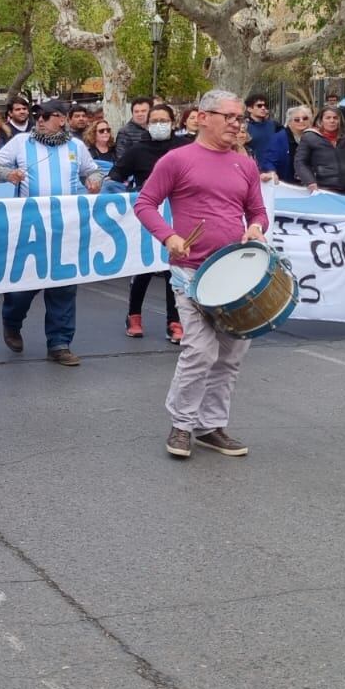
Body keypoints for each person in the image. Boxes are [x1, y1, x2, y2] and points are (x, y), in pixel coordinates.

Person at [133, 90, 268, 459]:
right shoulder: (177, 160)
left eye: (240, 118)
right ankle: (181, 425)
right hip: (191, 272)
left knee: (230, 355)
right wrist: (170, 236)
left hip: (236, 275)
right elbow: (144, 203)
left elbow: (258, 212)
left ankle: (211, 426)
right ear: (203, 116)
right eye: (229, 117)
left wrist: (256, 228)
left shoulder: (245, 165)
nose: (236, 124)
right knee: (201, 350)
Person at [0, 99, 102, 366]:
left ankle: (59, 343)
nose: (39, 119)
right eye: (38, 115)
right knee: (25, 286)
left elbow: (92, 171)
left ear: (62, 119)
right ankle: (12, 320)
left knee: (63, 285)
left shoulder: (76, 147)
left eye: (46, 116)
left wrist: (94, 181)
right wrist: (8, 174)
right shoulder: (21, 142)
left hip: (66, 228)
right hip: (30, 228)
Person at [109, 103, 192, 342]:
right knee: (143, 269)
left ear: (173, 122)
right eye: (153, 121)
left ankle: (174, 321)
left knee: (172, 269)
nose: (158, 125)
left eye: (163, 120)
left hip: (177, 217)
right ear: (147, 124)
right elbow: (115, 177)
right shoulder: (137, 151)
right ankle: (134, 315)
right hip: (147, 219)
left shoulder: (185, 148)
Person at [294, 104, 345, 193]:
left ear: (339, 120)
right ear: (321, 120)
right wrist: (310, 181)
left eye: (335, 118)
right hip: (321, 189)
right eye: (328, 118)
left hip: (344, 190)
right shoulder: (310, 137)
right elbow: (300, 162)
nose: (332, 121)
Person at [244, 94, 291, 180]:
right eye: (259, 105)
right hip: (253, 171)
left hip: (274, 171)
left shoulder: (274, 125)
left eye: (265, 105)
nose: (263, 108)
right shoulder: (244, 126)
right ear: (249, 109)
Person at [282, 106, 312, 181]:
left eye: (305, 118)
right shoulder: (281, 137)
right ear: (289, 122)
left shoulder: (315, 136)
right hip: (289, 182)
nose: (301, 121)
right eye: (297, 119)